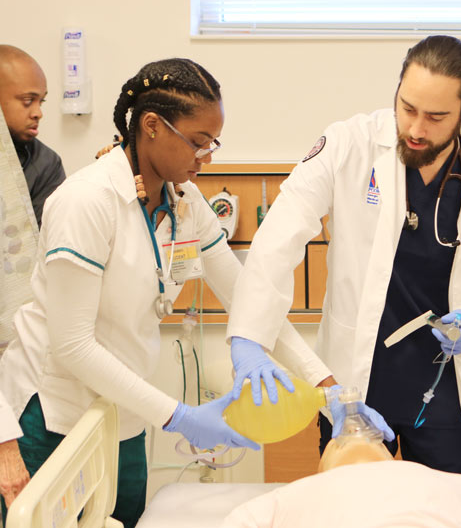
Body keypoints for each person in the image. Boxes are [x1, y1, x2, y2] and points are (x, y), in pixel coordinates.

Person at [0, 57, 352, 528]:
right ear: (151, 126)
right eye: (198, 142)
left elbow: (248, 297)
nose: (207, 157)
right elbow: (72, 345)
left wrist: (328, 386)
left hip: (121, 418)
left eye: (213, 143)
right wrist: (180, 416)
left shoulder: (184, 203)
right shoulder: (86, 203)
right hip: (52, 417)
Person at [227, 35, 461, 478]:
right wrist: (248, 338)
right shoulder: (348, 146)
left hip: (441, 388)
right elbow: (278, 240)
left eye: (435, 117)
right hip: (357, 383)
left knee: (443, 512)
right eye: (407, 108)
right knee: (352, 512)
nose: (415, 129)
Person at [224, 438, 461, 528]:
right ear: (323, 467)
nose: (357, 434)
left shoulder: (289, 497)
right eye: (340, 441)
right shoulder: (297, 493)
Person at [0, 45, 65, 227]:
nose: (38, 113)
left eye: (41, 102)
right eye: (27, 101)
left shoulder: (47, 164)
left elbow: (39, 244)